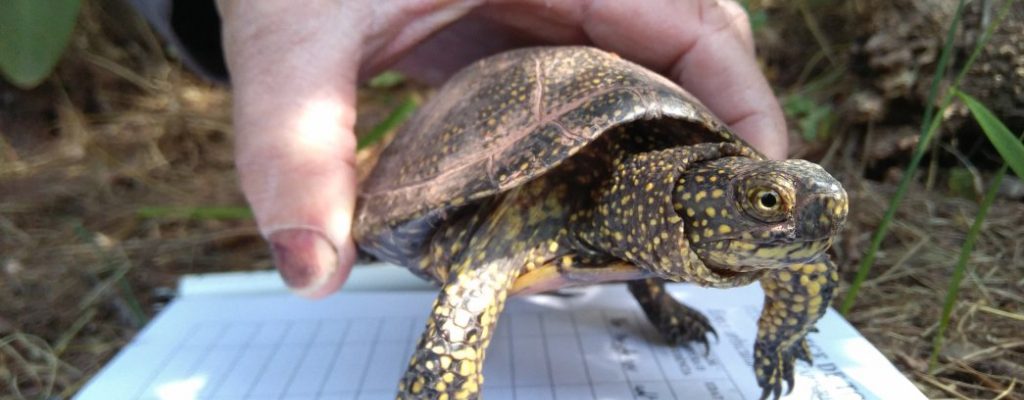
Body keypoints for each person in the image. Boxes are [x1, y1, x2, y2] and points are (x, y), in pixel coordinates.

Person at [132, 0, 788, 298]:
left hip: (633, 229)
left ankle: (656, 295)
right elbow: (474, 283)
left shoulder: (656, 210)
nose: (795, 219)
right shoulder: (532, 211)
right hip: (479, 201)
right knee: (483, 276)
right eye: (764, 200)